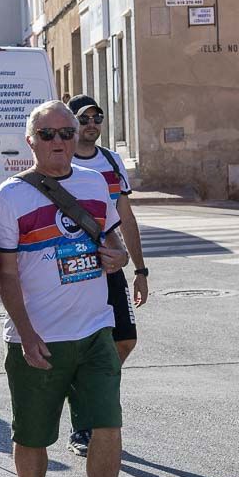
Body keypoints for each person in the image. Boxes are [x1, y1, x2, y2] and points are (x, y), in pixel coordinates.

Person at [0, 100, 143, 477]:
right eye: (48, 134)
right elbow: (7, 273)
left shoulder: (95, 183)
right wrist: (24, 331)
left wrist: (118, 257)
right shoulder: (9, 196)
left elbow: (111, 241)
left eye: (66, 133)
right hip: (38, 338)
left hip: (95, 331)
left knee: (107, 427)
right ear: (31, 141)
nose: (59, 142)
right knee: (33, 436)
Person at [65, 94, 150, 458]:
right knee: (83, 344)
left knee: (124, 341)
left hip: (111, 266)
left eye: (97, 117)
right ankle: (86, 421)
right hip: (75, 272)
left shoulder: (112, 161)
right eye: (84, 117)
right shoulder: (61, 160)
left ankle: (91, 396)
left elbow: (126, 217)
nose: (92, 123)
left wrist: (140, 270)